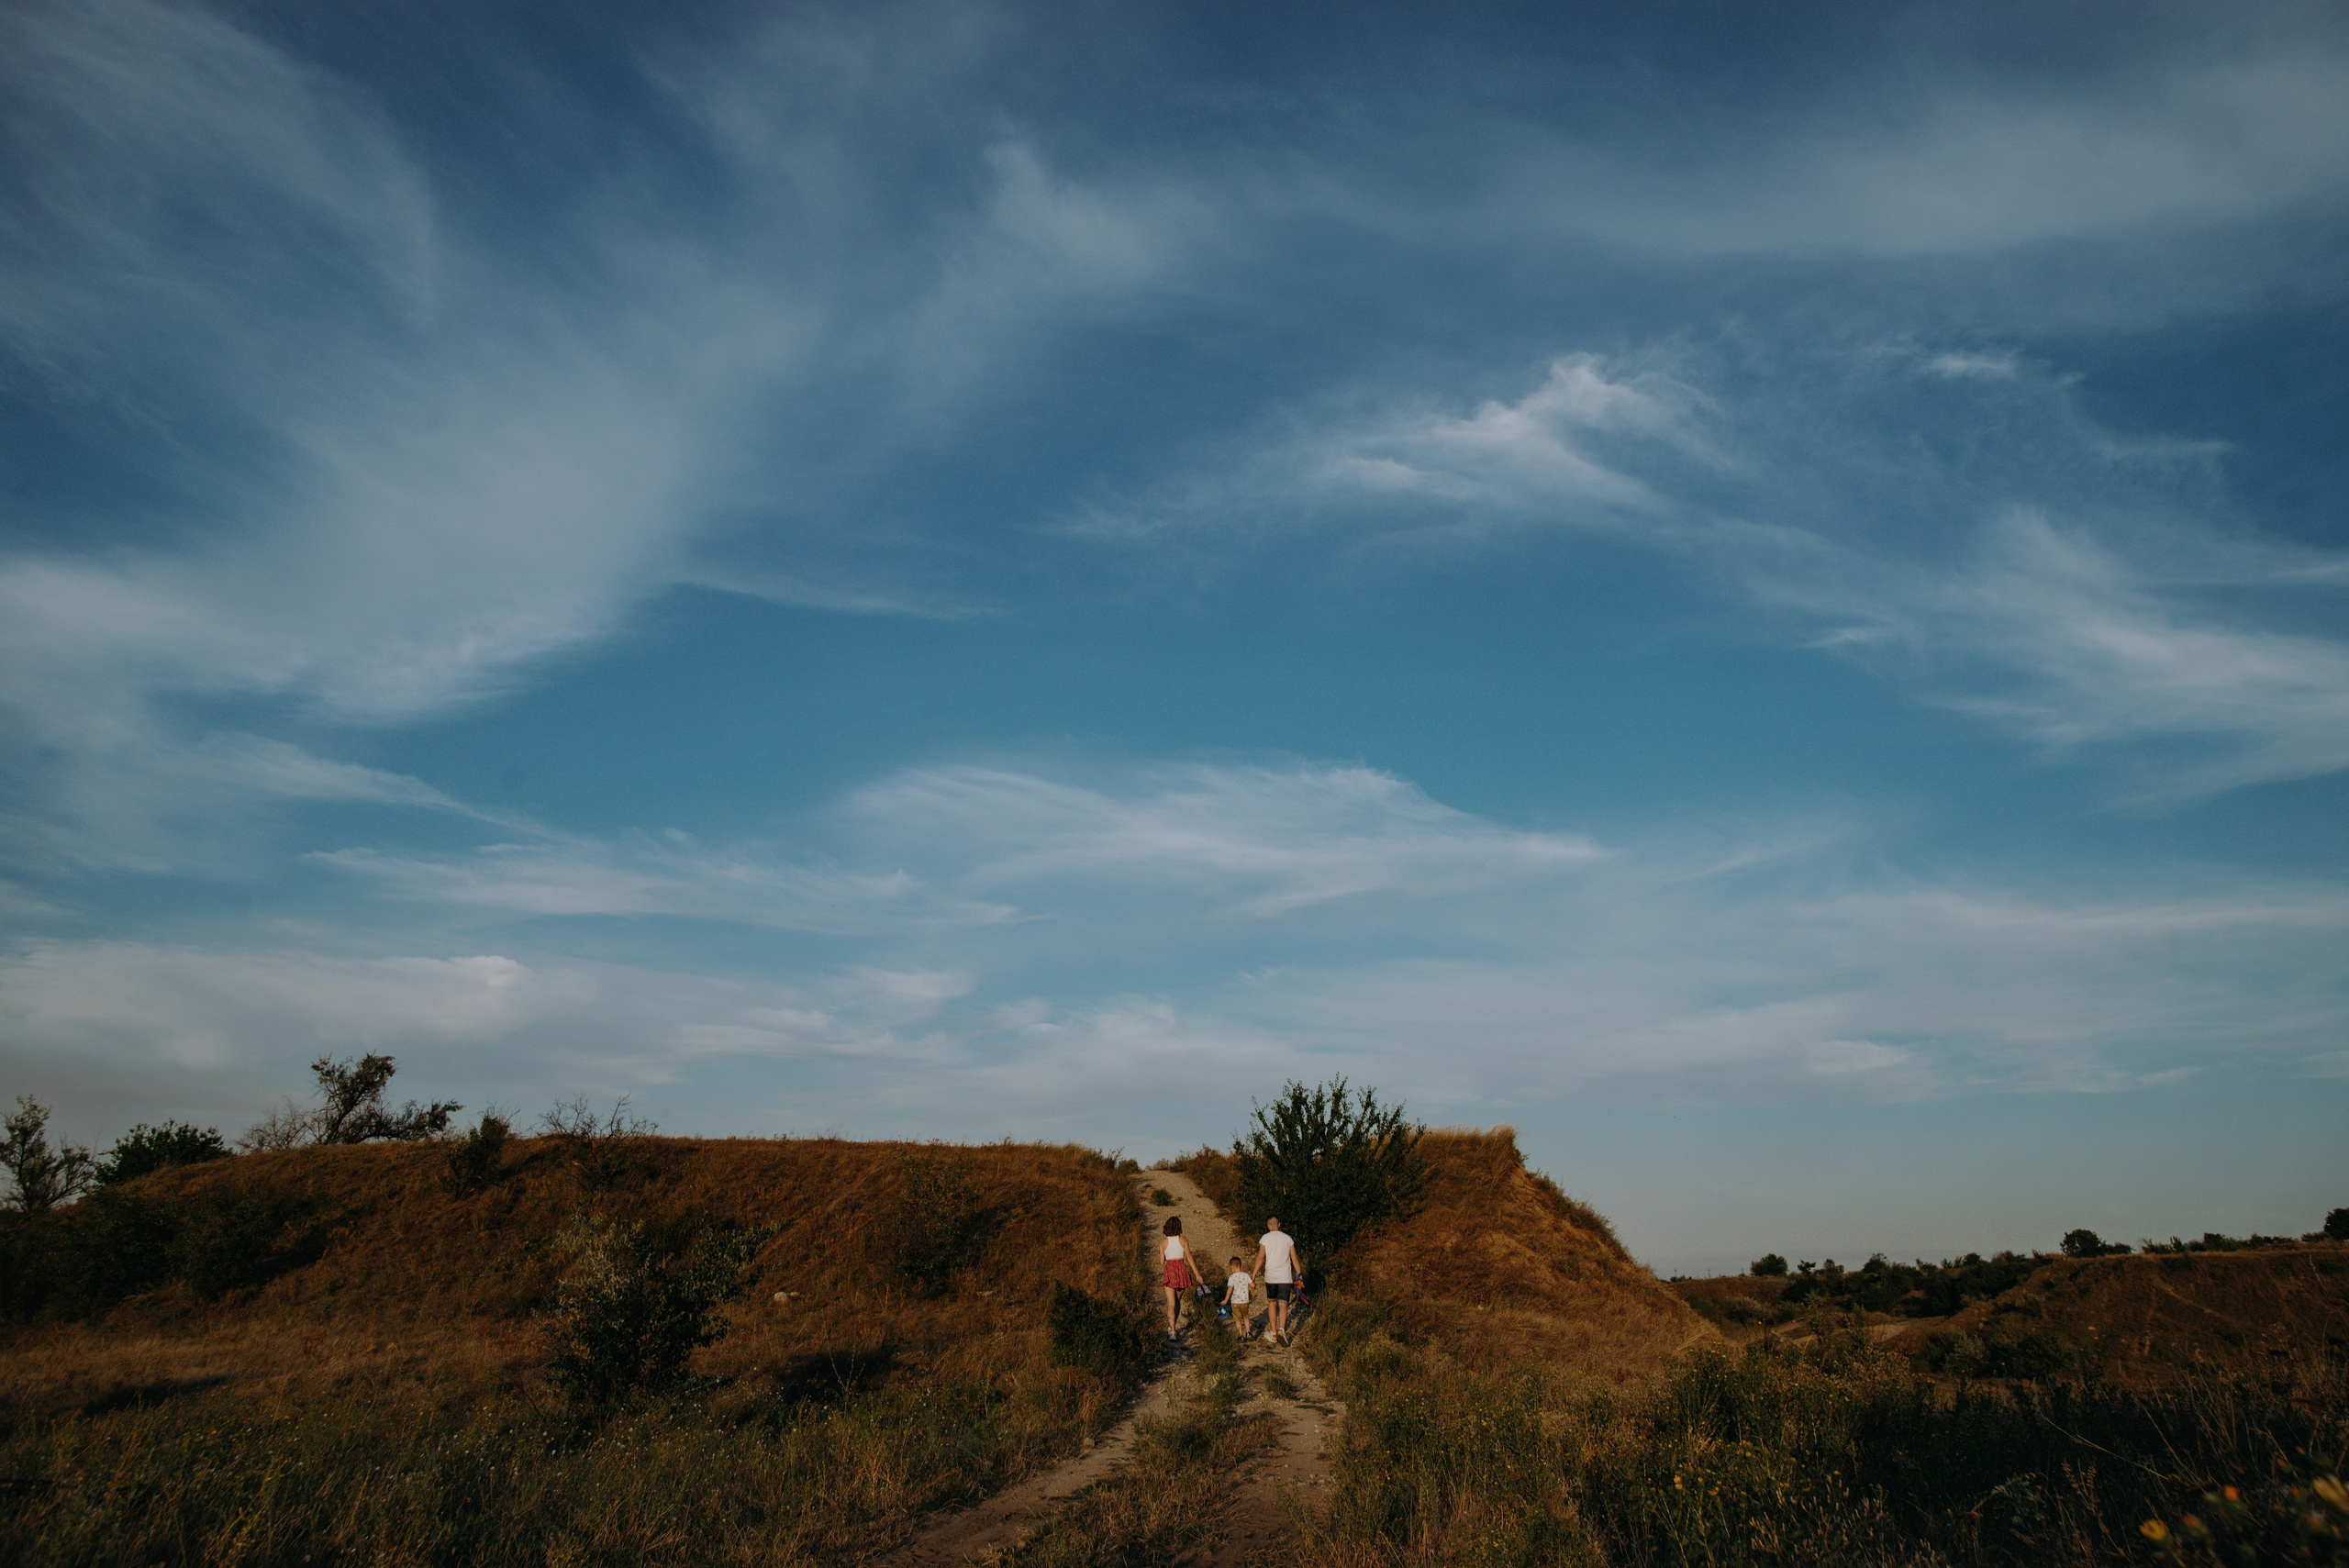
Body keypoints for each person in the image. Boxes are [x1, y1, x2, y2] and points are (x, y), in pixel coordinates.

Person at [1252, 1218, 1304, 1343]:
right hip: (1285, 1277)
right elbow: (1294, 1258)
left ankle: (1273, 1334)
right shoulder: (1288, 1238)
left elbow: (1260, 1257)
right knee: (1283, 1304)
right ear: (1279, 1224)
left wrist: (1253, 1275)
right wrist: (1299, 1275)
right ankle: (1282, 1330)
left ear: (1268, 1225)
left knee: (1272, 1303)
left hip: (1271, 1277)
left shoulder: (1265, 1238)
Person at [1160, 1216, 1204, 1338]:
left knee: (1171, 1303)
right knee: (1178, 1301)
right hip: (1181, 1272)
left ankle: (1172, 1330)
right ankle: (1173, 1325)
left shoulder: (1163, 1242)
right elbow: (1189, 1257)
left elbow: (1161, 1262)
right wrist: (1197, 1274)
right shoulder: (1183, 1240)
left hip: (1170, 1272)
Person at [1223, 1255, 1253, 1338]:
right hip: (1245, 1301)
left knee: (1237, 1319)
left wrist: (1225, 1300)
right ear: (1241, 1266)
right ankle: (1248, 1333)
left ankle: (1240, 1336)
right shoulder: (1246, 1275)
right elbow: (1253, 1285)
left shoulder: (1232, 1277)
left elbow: (1229, 1290)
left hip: (1235, 1302)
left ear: (1232, 1267)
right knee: (1246, 1317)